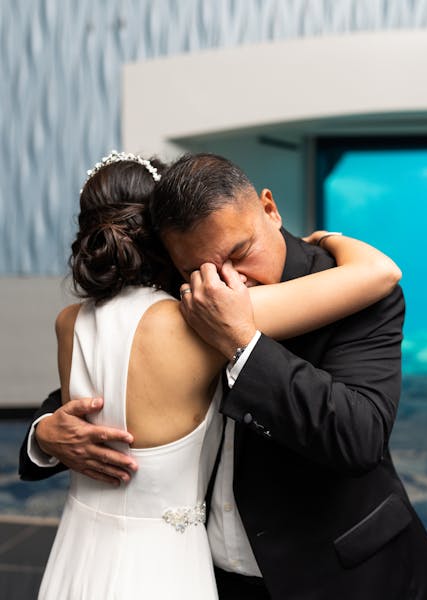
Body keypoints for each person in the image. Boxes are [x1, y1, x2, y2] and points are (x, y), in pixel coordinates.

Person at [20, 152, 405, 599]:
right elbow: (98, 389)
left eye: (241, 253)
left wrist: (242, 341)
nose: (230, 282)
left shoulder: (340, 292)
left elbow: (360, 437)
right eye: (197, 267)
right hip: (200, 566)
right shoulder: (181, 306)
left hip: (325, 571)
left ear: (269, 209)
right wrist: (45, 432)